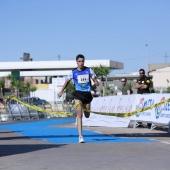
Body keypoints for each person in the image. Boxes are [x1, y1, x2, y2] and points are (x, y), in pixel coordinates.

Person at [58, 54, 99, 143]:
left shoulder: (89, 70)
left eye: (82, 61)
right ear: (76, 62)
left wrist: (96, 82)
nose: (81, 63)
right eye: (79, 61)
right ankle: (80, 136)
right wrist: (61, 91)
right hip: (78, 94)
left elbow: (95, 80)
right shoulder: (73, 72)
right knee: (79, 114)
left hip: (87, 94)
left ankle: (86, 108)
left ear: (84, 61)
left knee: (87, 115)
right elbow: (67, 82)